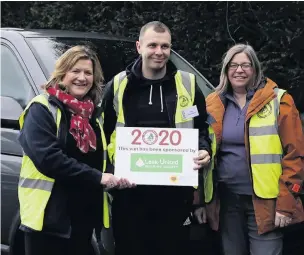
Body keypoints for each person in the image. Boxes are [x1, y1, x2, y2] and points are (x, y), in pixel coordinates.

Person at [101, 21, 211, 255]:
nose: (159, 52)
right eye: (152, 45)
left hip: (174, 196)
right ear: (139, 46)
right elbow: (103, 132)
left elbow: (202, 128)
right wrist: (111, 171)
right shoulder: (119, 84)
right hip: (129, 195)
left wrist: (204, 150)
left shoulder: (188, 84)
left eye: (165, 46)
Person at [18, 45, 133, 255]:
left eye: (88, 73)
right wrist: (99, 178)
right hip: (49, 223)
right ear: (62, 74)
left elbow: (102, 159)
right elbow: (48, 159)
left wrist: (123, 175)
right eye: (75, 71)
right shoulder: (42, 109)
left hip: (84, 222)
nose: (82, 78)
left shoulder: (93, 116)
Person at [197, 43, 304, 255]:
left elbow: (296, 155)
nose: (239, 70)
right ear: (226, 70)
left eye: (245, 65)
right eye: (233, 65)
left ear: (255, 69)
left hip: (267, 203)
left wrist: (286, 203)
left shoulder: (279, 101)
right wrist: (199, 201)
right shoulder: (213, 103)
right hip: (227, 200)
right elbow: (201, 149)